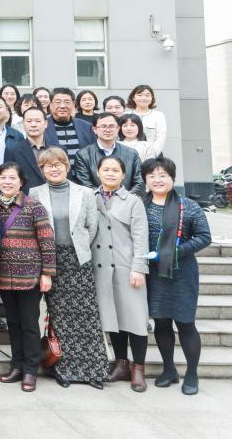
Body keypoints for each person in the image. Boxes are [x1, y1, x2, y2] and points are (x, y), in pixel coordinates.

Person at [28, 147, 108, 389]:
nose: (53, 169)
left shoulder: (85, 193)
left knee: (86, 314)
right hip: (49, 259)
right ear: (42, 169)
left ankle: (93, 371)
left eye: (58, 164)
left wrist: (77, 247)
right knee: (60, 316)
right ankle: (64, 369)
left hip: (77, 259)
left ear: (67, 166)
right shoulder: (35, 193)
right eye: (48, 165)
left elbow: (91, 227)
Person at [142, 156, 211, 395]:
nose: (157, 180)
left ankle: (191, 373)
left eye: (163, 175)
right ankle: (169, 369)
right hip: (153, 274)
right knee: (161, 321)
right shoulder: (140, 205)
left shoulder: (188, 206)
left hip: (182, 273)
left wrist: (171, 253)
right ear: (145, 180)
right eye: (152, 176)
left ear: (172, 178)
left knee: (185, 323)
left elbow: (204, 237)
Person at [0, 163, 55, 392]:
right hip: (4, 277)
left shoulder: (33, 205)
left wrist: (47, 273)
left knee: (29, 324)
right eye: (3, 178)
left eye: (12, 178)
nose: (7, 182)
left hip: (29, 277)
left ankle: (30, 369)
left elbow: (47, 240)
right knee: (13, 323)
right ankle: (17, 365)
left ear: (21, 182)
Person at [93, 156, 150, 392]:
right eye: (106, 169)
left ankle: (138, 368)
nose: (110, 173)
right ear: (98, 172)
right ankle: (120, 363)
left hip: (127, 268)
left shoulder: (133, 201)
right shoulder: (91, 197)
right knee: (113, 318)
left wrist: (138, 267)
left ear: (123, 175)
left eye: (115, 170)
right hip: (101, 268)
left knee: (135, 319)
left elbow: (141, 237)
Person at [72, 113, 143, 195]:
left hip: (127, 200)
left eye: (111, 126)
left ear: (118, 129)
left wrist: (125, 198)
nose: (108, 130)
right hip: (96, 201)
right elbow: (84, 183)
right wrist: (104, 197)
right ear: (95, 129)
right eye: (103, 126)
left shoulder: (131, 153)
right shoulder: (83, 155)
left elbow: (139, 181)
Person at [3, 106, 49, 193]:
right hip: (25, 198)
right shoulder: (12, 150)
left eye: (38, 121)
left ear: (46, 123)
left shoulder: (58, 149)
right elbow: (9, 179)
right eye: (29, 121)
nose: (33, 124)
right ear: (23, 124)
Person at [44, 88, 95, 164]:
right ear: (51, 105)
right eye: (58, 102)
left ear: (73, 104)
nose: (62, 106)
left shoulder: (86, 127)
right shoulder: (42, 127)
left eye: (67, 102)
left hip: (82, 171)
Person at [128, 85, 167, 155]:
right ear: (133, 98)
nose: (143, 98)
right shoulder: (126, 115)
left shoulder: (158, 115)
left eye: (147, 95)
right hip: (129, 154)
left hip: (153, 155)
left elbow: (161, 138)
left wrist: (152, 154)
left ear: (152, 98)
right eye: (139, 95)